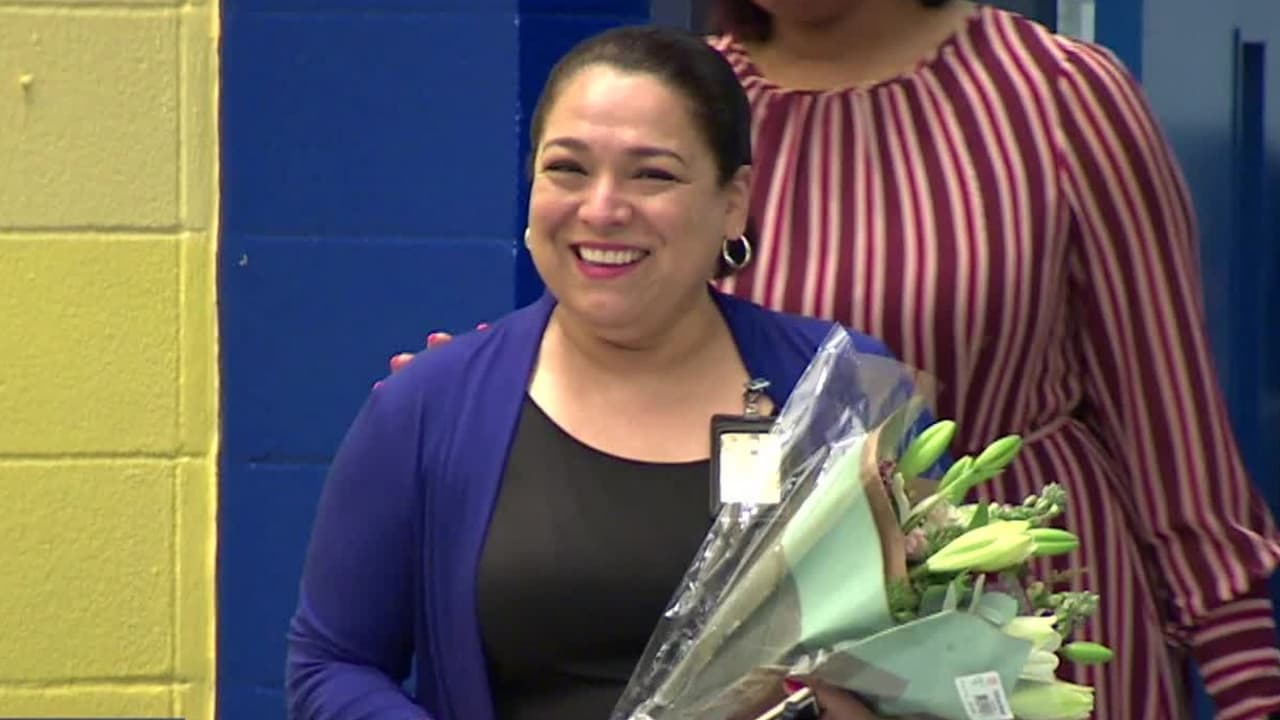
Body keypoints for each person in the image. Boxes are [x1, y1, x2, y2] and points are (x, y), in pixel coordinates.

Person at [393, 2, 1280, 719]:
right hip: (742, 663)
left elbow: (1177, 436)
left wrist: (1250, 689)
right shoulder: (682, 105)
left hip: (1021, 631)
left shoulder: (1057, 97)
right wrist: (478, 399)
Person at [288, 25, 906, 720]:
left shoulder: (839, 388)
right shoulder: (429, 407)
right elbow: (331, 663)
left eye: (653, 175)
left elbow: (933, 639)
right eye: (568, 169)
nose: (603, 209)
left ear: (733, 201)